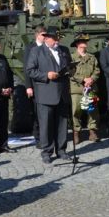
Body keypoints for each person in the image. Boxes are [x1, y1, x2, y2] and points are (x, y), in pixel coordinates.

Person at [25, 27, 73, 163]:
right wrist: (46, 75)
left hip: (62, 93)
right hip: (46, 93)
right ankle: (46, 151)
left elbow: (69, 67)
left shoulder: (64, 51)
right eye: (54, 38)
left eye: (59, 38)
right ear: (46, 38)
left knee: (62, 124)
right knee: (46, 124)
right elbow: (30, 70)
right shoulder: (36, 51)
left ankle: (62, 150)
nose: (57, 41)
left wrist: (71, 70)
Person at [70, 34, 101, 144]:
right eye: (82, 41)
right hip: (77, 89)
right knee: (76, 111)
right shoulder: (72, 58)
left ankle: (92, 131)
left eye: (86, 41)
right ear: (77, 44)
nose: (85, 43)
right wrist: (83, 79)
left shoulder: (92, 57)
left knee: (92, 111)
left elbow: (97, 70)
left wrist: (91, 79)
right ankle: (76, 132)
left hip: (90, 88)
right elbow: (70, 73)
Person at [24, 26, 46, 148]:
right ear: (37, 35)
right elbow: (27, 69)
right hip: (34, 85)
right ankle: (38, 138)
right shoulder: (30, 48)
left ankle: (46, 136)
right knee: (36, 112)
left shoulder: (46, 47)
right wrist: (28, 86)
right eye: (43, 34)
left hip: (45, 85)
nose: (45, 37)